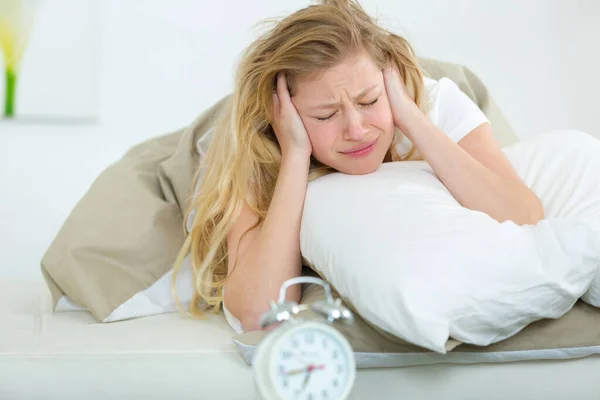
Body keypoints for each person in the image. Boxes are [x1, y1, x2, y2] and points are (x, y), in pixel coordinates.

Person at [173, 0, 544, 333]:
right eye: (326, 115)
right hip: (207, 136)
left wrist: (413, 121)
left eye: (368, 101)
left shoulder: (434, 103)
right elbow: (258, 312)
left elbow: (524, 216)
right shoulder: (256, 142)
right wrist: (295, 157)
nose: (356, 129)